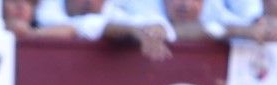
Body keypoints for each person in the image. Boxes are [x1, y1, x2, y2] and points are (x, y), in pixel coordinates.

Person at [35, 0, 177, 58]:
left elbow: (157, 23)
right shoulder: (48, 9)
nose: (89, 1)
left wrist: (156, 29)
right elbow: (83, 26)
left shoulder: (111, 9)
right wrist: (132, 31)